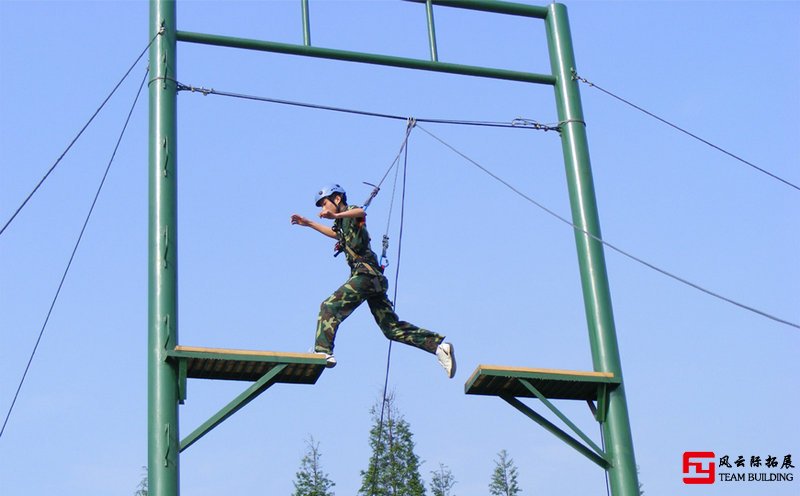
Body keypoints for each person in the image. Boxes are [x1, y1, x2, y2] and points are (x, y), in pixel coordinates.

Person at [291, 183, 456, 378]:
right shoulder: (342, 224)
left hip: (365, 276)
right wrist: (310, 224)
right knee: (391, 328)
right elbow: (336, 234)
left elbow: (361, 211)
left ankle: (323, 350)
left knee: (329, 306)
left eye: (324, 203)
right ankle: (438, 347)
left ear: (337, 199)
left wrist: (335, 216)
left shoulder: (351, 212)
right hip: (374, 279)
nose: (323, 209)